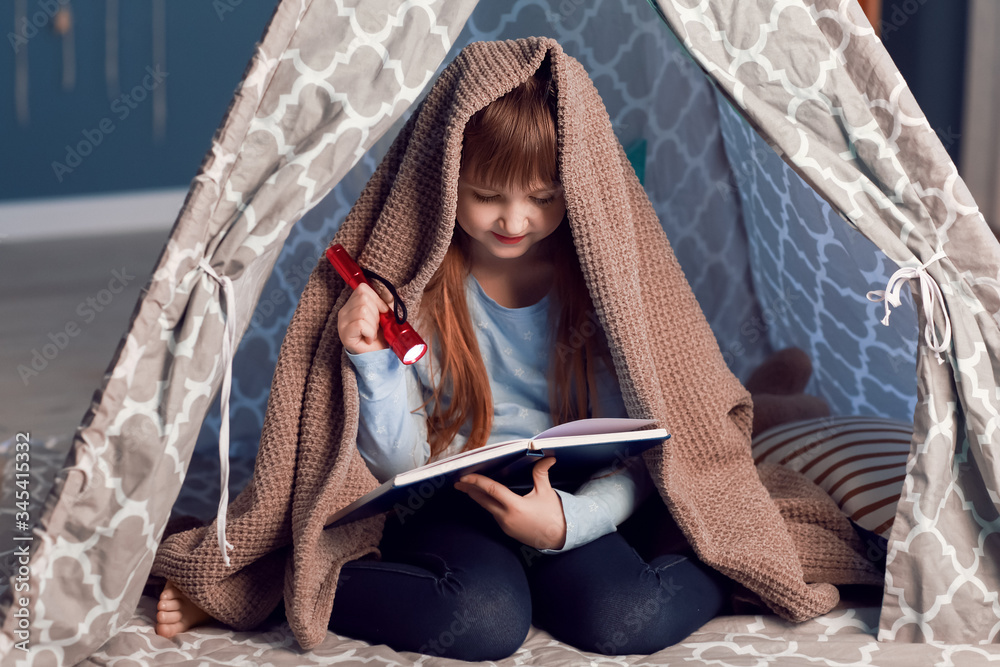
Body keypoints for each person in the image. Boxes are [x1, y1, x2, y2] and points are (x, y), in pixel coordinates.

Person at [153, 36, 873, 660]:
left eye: (543, 197)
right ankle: (281, 587)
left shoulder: (599, 286)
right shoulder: (425, 287)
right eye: (488, 194)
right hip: (453, 499)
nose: (516, 219)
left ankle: (736, 525)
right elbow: (396, 462)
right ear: (445, 183)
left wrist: (570, 522)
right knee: (484, 620)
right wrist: (371, 361)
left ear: (576, 194)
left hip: (575, 494)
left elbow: (652, 442)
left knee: (624, 615)